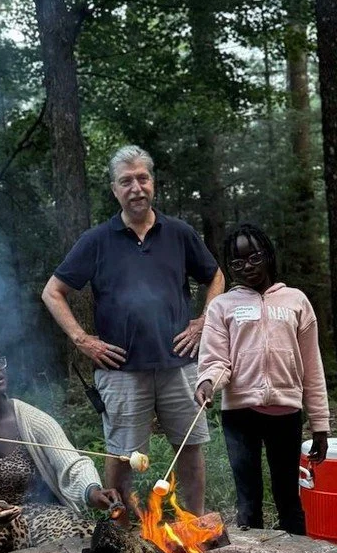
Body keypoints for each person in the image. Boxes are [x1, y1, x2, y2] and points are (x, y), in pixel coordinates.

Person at [42, 145, 225, 516]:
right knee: (122, 454)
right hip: (120, 369)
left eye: (142, 178)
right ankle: (121, 529)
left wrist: (205, 320)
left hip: (180, 363)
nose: (136, 188)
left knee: (190, 447)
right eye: (126, 181)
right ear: (115, 190)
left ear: (152, 183)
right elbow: (52, 292)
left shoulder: (179, 233)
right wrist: (82, 339)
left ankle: (196, 523)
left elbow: (216, 276)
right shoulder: (96, 240)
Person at [0, 337, 123, 553]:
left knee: (86, 541)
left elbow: (71, 463)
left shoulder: (31, 419)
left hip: (38, 515)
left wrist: (91, 490)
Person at [195, 223, 329, 534]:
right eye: (237, 262)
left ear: (268, 255)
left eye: (254, 257)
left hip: (286, 413)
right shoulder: (222, 306)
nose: (247, 267)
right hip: (240, 415)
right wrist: (207, 381)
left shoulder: (296, 301)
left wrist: (320, 425)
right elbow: (216, 361)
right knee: (248, 501)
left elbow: (312, 367)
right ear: (229, 267)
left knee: (288, 497)